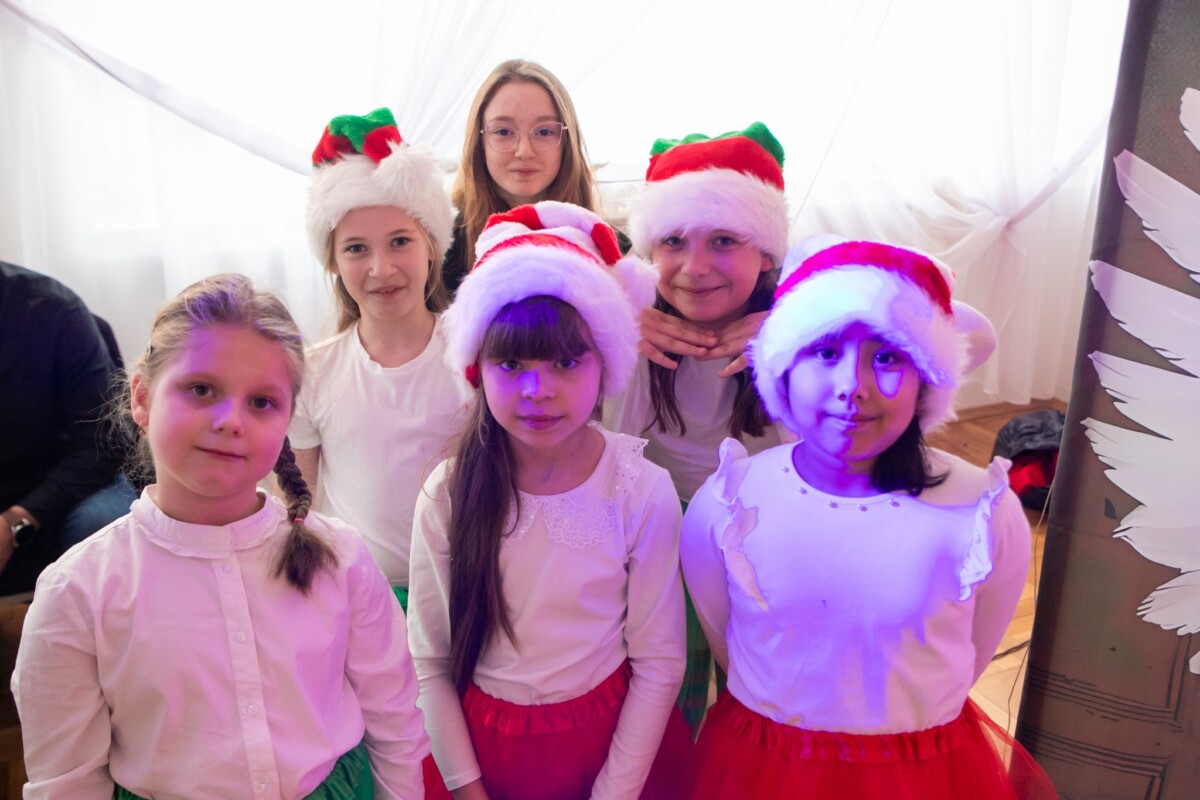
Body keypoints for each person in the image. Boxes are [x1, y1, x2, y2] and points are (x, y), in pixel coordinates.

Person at [12, 274, 429, 799]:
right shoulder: (76, 591)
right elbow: (66, 782)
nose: (231, 421)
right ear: (142, 397)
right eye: (201, 389)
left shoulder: (339, 557)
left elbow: (396, 723)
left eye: (262, 402)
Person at [679, 237, 1058, 799]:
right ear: (784, 369)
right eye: (824, 353)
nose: (851, 389)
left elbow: (973, 651)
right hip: (761, 767)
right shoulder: (730, 501)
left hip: (921, 775)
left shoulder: (981, 509)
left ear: (925, 378)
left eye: (886, 358)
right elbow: (726, 637)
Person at [408, 201, 692, 799]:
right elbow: (429, 662)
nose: (538, 390)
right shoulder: (448, 494)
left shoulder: (641, 489)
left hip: (612, 746)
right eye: (511, 363)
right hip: (483, 751)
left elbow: (660, 662)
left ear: (605, 364)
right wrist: (467, 788)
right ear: (477, 369)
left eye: (566, 361)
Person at [604, 122, 790, 734]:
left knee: (756, 680)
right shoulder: (631, 326)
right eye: (674, 241)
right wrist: (619, 319)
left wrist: (792, 329)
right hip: (660, 532)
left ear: (767, 253)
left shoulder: (798, 329)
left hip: (763, 533)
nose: (696, 266)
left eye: (725, 240)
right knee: (670, 682)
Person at [293, 107, 466, 608]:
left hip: (463, 591)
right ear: (332, 260)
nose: (382, 268)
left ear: (431, 246)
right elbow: (298, 501)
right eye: (356, 249)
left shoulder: (473, 354)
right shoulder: (312, 371)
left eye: (400, 242)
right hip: (356, 599)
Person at [0, 261, 130, 596]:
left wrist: (14, 522)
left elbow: (103, 446)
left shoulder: (55, 311)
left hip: (66, 487)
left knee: (99, 523)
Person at [442, 59, 611, 295]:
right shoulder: (439, 250)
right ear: (479, 142)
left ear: (567, 141)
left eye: (544, 131)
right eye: (503, 131)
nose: (524, 151)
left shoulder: (613, 253)